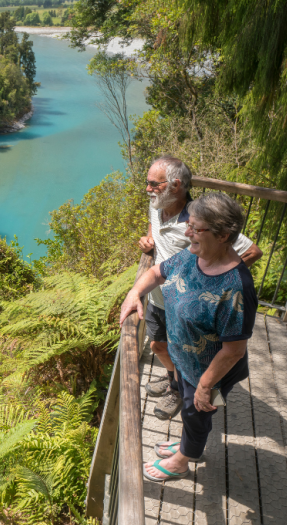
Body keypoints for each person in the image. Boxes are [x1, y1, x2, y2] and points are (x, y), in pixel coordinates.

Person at [120, 192, 257, 481]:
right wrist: (134, 294)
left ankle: (183, 460)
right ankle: (186, 446)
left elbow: (234, 350)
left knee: (197, 414)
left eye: (196, 228)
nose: (187, 232)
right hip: (184, 358)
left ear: (223, 235)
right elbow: (158, 272)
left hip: (210, 371)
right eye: (189, 224)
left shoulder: (235, 288)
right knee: (188, 407)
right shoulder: (193, 254)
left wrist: (206, 386)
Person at [139, 156, 262, 420]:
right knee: (160, 347)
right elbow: (155, 227)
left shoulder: (200, 220)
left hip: (190, 307)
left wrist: (216, 281)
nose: (147, 189)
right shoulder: (156, 204)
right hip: (159, 297)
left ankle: (199, 407)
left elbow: (251, 251)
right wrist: (150, 239)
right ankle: (176, 384)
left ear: (175, 185)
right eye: (147, 183)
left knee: (200, 366)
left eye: (153, 184)